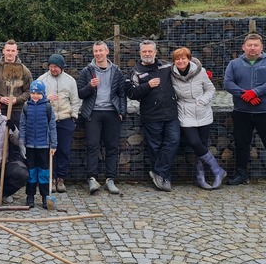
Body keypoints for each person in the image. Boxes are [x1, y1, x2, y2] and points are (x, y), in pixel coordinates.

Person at [224, 33, 266, 192]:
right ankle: (241, 174)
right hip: (242, 111)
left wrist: (255, 92)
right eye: (249, 45)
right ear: (243, 47)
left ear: (261, 47)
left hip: (265, 111)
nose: (252, 48)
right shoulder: (234, 64)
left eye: (255, 45)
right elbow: (228, 83)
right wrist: (245, 95)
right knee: (241, 144)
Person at [126, 40, 180, 192]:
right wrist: (147, 86)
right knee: (155, 147)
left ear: (155, 52)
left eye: (150, 51)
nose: (147, 54)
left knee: (174, 141)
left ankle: (158, 173)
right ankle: (164, 178)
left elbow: (185, 67)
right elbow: (131, 93)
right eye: (144, 51)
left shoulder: (167, 66)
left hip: (171, 113)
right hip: (151, 115)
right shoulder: (136, 71)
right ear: (140, 53)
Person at [171, 47, 226, 190]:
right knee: (194, 142)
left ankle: (201, 176)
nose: (180, 61)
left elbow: (210, 89)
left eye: (183, 58)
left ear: (189, 59)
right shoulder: (171, 74)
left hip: (203, 112)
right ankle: (217, 169)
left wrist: (202, 101)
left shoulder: (200, 72)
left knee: (202, 145)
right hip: (185, 113)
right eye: (177, 59)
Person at [77, 42, 127, 195]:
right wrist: (90, 86)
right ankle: (92, 179)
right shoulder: (87, 71)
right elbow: (80, 93)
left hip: (112, 112)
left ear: (107, 52)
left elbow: (122, 93)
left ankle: (110, 179)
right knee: (92, 146)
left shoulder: (116, 71)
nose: (98, 53)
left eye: (100, 50)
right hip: (93, 113)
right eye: (95, 51)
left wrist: (122, 111)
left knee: (112, 147)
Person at [37, 53, 80, 193]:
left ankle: (61, 178)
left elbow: (75, 101)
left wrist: (73, 117)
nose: (53, 69)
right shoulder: (42, 80)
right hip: (48, 120)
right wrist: (46, 98)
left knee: (64, 150)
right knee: (49, 151)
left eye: (55, 66)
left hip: (65, 120)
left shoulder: (70, 81)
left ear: (61, 67)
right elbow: (35, 99)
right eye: (51, 66)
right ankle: (51, 177)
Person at [18, 80, 57, 209]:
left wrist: (53, 144)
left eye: (38, 93)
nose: (35, 96)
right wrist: (21, 142)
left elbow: (52, 126)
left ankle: (45, 196)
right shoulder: (26, 107)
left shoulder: (48, 107)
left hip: (44, 146)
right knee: (31, 172)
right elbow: (22, 126)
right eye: (33, 93)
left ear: (43, 94)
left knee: (44, 172)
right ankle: (30, 196)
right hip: (30, 146)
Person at [0, 40, 33, 125]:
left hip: (17, 111)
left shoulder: (25, 71)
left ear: (17, 52)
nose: (10, 53)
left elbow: (29, 91)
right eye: (8, 50)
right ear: (3, 51)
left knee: (16, 133)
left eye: (13, 51)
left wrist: (17, 100)